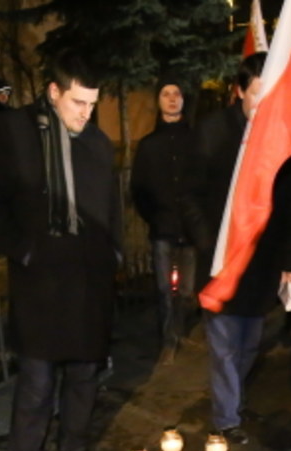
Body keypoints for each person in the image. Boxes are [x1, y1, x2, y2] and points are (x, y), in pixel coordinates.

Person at [0, 50, 122, 451]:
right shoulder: (14, 132)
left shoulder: (97, 143)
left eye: (92, 104)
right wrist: (23, 250)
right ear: (53, 92)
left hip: (90, 278)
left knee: (84, 371)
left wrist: (113, 253)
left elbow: (110, 207)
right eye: (78, 102)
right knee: (37, 379)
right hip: (41, 279)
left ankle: (74, 443)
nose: (86, 113)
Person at [194, 52, 291, 444]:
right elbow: (192, 195)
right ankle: (227, 418)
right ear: (240, 91)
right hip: (221, 261)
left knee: (249, 343)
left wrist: (290, 260)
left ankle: (233, 399)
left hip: (263, 262)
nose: (263, 104)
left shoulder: (287, 139)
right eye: (257, 94)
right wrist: (208, 243)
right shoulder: (213, 131)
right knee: (223, 347)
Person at [131, 77, 202, 362]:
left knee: (187, 290)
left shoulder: (195, 140)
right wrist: (154, 216)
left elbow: (204, 181)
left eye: (176, 93)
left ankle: (182, 328)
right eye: (165, 93)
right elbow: (138, 188)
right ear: (158, 100)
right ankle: (168, 341)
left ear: (183, 100)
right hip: (162, 228)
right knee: (163, 290)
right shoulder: (149, 145)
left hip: (190, 228)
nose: (172, 98)